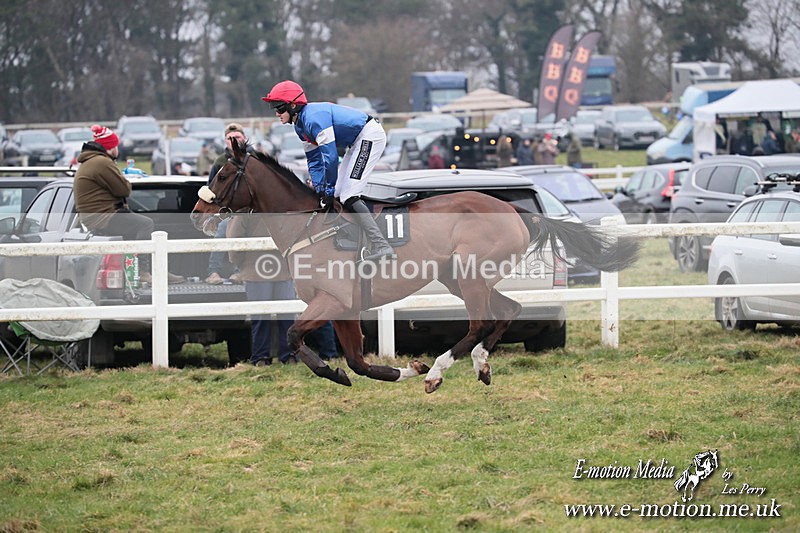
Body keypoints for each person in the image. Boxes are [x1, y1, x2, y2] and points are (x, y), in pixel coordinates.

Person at [261, 80, 394, 261]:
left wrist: (327, 191)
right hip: (356, 141)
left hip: (370, 136)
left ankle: (381, 245)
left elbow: (330, 159)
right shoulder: (300, 127)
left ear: (293, 105)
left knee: (349, 195)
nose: (276, 113)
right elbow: (314, 161)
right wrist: (320, 189)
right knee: (338, 193)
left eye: (279, 107)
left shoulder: (313, 119)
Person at [74, 125, 184, 285]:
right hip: (102, 216)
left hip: (96, 215)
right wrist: (121, 176)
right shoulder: (102, 162)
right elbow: (124, 189)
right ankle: (144, 272)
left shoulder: (92, 161)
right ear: (110, 147)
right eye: (116, 145)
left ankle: (158, 270)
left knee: (141, 226)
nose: (117, 148)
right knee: (146, 224)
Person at [227, 213, 296, 365]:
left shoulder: (245, 210)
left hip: (255, 268)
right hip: (283, 268)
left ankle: (261, 357)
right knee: (287, 316)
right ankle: (289, 355)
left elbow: (234, 236)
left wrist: (239, 263)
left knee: (260, 317)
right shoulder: (283, 205)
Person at [204, 123, 249, 285]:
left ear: (244, 138)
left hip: (253, 211)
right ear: (225, 142)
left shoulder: (255, 158)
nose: (234, 141)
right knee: (223, 232)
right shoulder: (220, 162)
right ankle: (213, 272)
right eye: (230, 139)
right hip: (229, 211)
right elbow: (212, 189)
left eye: (237, 137)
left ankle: (240, 272)